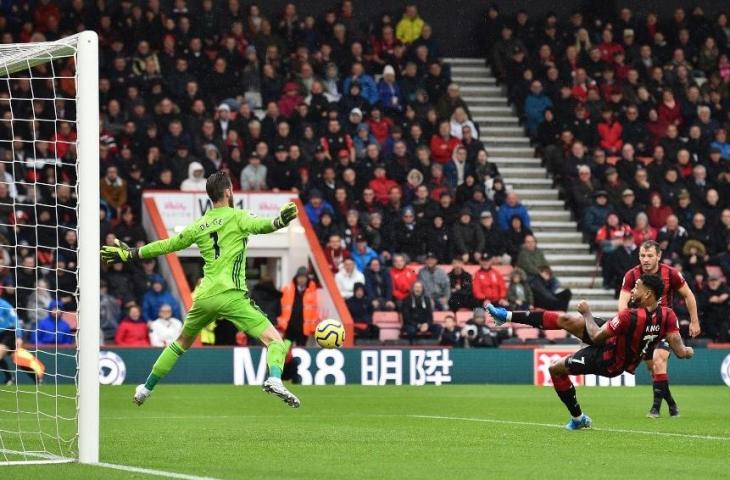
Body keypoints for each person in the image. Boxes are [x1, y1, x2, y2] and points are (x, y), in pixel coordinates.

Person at [101, 172, 301, 407]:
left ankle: (146, 388)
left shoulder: (199, 225)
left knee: (180, 343)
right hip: (231, 295)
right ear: (228, 192)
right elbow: (262, 225)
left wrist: (132, 253)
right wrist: (280, 221)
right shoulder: (238, 216)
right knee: (274, 341)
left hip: (205, 296)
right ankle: (275, 379)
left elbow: (167, 244)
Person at [487, 274, 694, 430]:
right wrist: (688, 352)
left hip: (610, 359)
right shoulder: (667, 314)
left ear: (648, 294)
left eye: (637, 287)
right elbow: (680, 349)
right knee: (565, 320)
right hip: (614, 338)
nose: (632, 290)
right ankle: (505, 316)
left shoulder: (629, 316)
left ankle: (578, 419)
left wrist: (587, 313)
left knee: (555, 370)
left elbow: (595, 337)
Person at [619, 240, 700, 417]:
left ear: (658, 256)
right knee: (653, 368)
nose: (645, 259)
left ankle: (655, 409)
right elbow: (622, 302)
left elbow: (688, 295)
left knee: (659, 359)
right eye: (642, 255)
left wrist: (694, 321)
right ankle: (671, 403)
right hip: (643, 329)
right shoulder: (632, 275)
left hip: (665, 325)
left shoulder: (671, 273)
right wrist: (625, 323)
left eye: (649, 256)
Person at [279, 267, 320, 347]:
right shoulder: (287, 289)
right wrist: (281, 322)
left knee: (301, 349)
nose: (302, 279)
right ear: (296, 278)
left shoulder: (313, 291)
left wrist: (313, 327)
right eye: (300, 277)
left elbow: (315, 310)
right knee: (286, 348)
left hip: (303, 327)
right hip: (289, 326)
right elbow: (281, 306)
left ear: (307, 278)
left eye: (304, 277)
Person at [0, 297, 19, 385]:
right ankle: (9, 377)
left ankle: (37, 378)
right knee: (15, 357)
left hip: (8, 333)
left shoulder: (5, 305)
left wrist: (19, 335)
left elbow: (15, 319)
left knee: (16, 357)